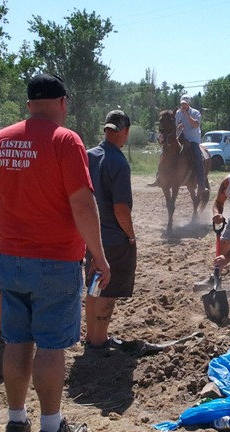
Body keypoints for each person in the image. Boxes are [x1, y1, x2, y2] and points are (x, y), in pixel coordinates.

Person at [0, 73, 111, 432]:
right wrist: (98, 254)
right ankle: (52, 428)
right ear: (63, 102)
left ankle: (16, 422)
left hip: (12, 260)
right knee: (51, 346)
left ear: (29, 103)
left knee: (16, 341)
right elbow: (82, 203)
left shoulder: (0, 140)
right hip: (55, 261)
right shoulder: (65, 140)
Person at [84, 110, 137, 350]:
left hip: (89, 235)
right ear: (124, 131)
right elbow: (120, 208)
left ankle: (91, 336)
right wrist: (130, 235)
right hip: (113, 238)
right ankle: (99, 338)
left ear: (106, 129)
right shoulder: (118, 162)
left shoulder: (87, 156)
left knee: (94, 285)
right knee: (108, 287)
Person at [175, 94, 206, 191]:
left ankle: (201, 184)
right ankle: (160, 177)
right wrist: (178, 127)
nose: (183, 106)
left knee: (197, 156)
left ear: (189, 104)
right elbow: (176, 126)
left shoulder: (195, 113)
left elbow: (196, 125)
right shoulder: (177, 113)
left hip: (193, 138)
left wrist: (187, 116)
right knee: (167, 151)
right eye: (182, 104)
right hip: (181, 137)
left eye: (185, 104)